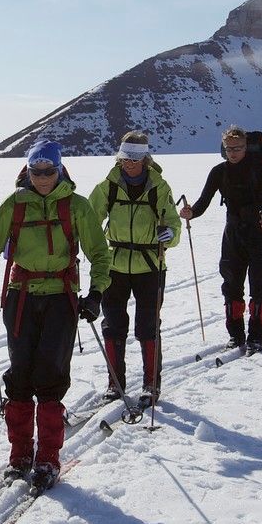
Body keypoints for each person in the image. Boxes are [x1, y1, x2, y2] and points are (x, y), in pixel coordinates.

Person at [0, 139, 111, 490]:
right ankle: (19, 455)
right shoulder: (14, 204)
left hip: (60, 300)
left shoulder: (77, 206)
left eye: (49, 172)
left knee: (50, 376)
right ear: (29, 171)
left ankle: (48, 457)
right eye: (36, 172)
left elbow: (99, 253)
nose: (43, 178)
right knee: (19, 377)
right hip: (20, 298)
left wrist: (96, 293)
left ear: (59, 170)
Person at [87, 130, 180, 406]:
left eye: (134, 159)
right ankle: (115, 384)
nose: (128, 164)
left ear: (144, 160)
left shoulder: (159, 188)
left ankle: (151, 385)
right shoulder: (107, 187)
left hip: (150, 265)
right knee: (113, 326)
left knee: (148, 327)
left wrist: (170, 235)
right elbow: (89, 220)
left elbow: (172, 223)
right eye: (125, 158)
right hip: (115, 264)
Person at [179, 125, 262, 353]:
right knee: (231, 285)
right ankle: (236, 335)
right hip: (233, 232)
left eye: (238, 148)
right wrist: (191, 213)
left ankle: (256, 337)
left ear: (245, 147)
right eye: (229, 148)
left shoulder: (259, 170)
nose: (233, 153)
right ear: (224, 148)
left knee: (259, 285)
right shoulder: (219, 172)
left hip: (259, 231)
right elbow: (203, 201)